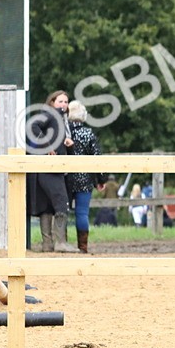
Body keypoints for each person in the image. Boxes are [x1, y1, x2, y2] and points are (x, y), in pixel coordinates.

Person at [27, 90, 79, 252]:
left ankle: (47, 244)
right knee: (62, 202)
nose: (63, 105)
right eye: (60, 101)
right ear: (52, 103)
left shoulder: (58, 119)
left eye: (66, 102)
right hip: (51, 168)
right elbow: (33, 126)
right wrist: (47, 145)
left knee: (47, 205)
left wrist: (66, 143)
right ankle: (61, 242)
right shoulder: (51, 114)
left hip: (47, 168)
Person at [64, 101, 103, 253]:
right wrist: (100, 179)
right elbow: (97, 157)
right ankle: (83, 247)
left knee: (64, 210)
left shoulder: (65, 133)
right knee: (82, 213)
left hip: (66, 177)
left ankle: (62, 243)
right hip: (85, 179)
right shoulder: (88, 133)